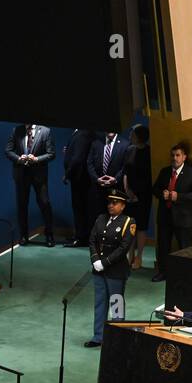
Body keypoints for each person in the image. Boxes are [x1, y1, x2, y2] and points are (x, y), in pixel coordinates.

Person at [86, 191, 136, 348]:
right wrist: (95, 260)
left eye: (115, 203)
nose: (111, 205)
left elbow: (123, 248)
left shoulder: (129, 222)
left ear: (122, 205)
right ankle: (98, 336)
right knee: (100, 303)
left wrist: (105, 262)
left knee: (116, 303)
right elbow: (92, 240)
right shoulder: (101, 218)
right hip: (99, 269)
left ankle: (117, 336)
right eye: (109, 202)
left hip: (116, 270)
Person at [150, 142, 192, 283]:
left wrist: (178, 196)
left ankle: (186, 276)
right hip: (165, 216)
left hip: (183, 218)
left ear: (184, 157)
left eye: (178, 155)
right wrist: (162, 193)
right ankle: (163, 273)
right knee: (163, 247)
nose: (175, 158)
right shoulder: (165, 171)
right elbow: (154, 189)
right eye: (173, 155)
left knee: (185, 248)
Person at [6, 122, 55, 246]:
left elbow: (51, 154)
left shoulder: (45, 131)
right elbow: (8, 150)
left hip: (39, 175)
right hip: (21, 175)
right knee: (22, 206)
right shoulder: (16, 130)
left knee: (45, 204)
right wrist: (18, 158)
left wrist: (37, 159)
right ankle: (23, 236)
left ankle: (49, 235)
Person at [121, 124, 152, 270]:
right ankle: (130, 256)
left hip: (143, 196)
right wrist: (128, 190)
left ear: (140, 136)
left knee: (141, 226)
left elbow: (148, 177)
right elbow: (125, 172)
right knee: (130, 226)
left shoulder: (149, 152)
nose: (129, 136)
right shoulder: (129, 150)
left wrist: (137, 194)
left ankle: (139, 256)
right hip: (129, 194)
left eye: (132, 134)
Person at [63, 128, 96, 247]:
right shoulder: (82, 133)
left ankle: (81, 238)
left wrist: (67, 174)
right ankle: (81, 235)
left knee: (79, 207)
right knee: (82, 207)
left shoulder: (83, 133)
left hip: (79, 178)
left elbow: (77, 158)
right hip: (81, 177)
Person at [87, 130, 129, 221]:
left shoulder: (125, 144)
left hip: (116, 189)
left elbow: (125, 166)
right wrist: (96, 179)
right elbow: (89, 163)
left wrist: (116, 179)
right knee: (98, 217)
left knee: (116, 219)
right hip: (98, 189)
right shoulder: (96, 143)